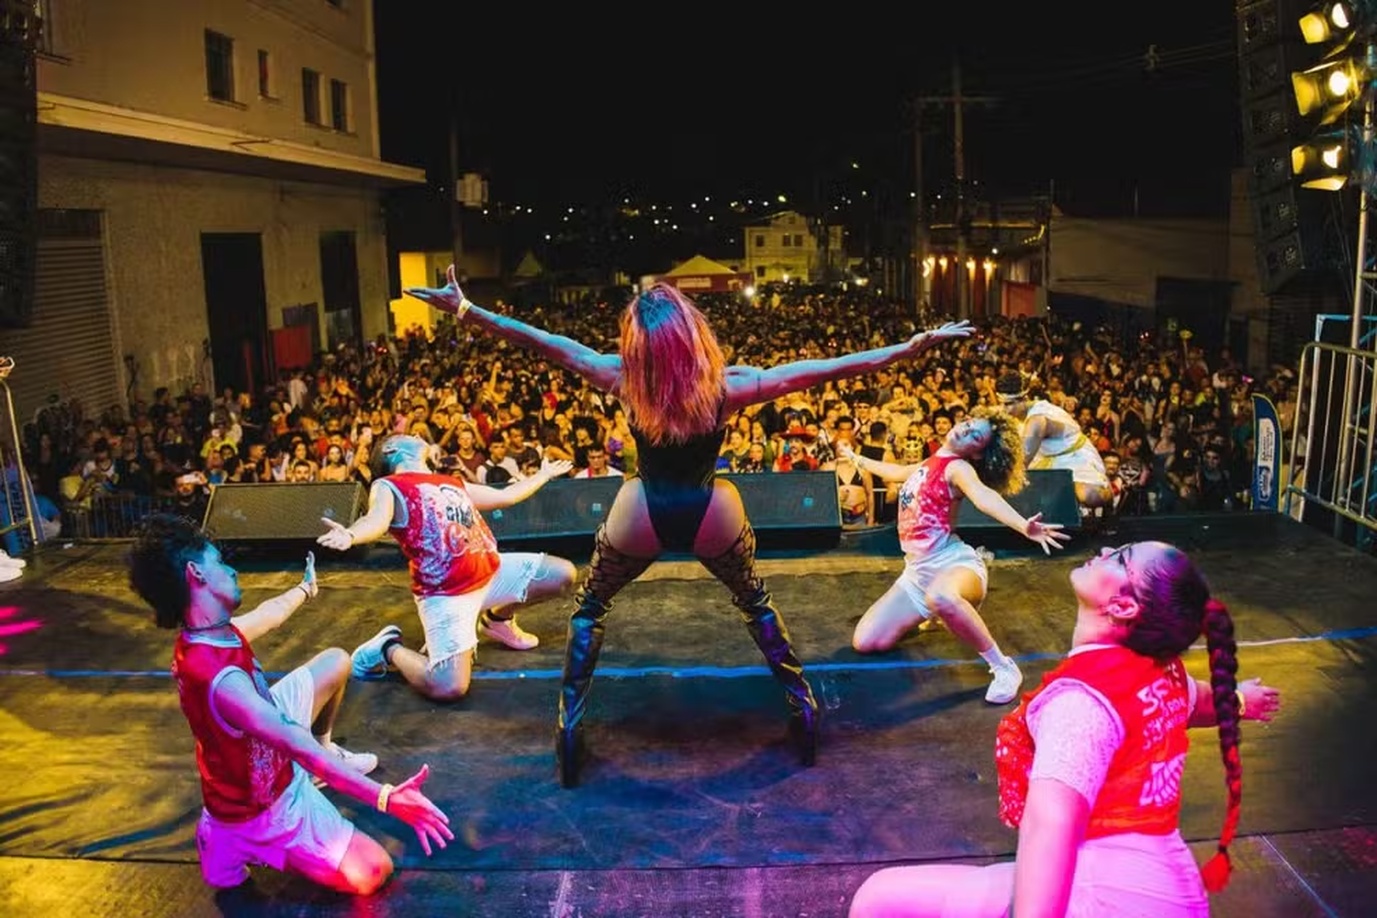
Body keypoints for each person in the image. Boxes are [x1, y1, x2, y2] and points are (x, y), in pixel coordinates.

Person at [405, 267, 972, 787]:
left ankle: (569, 730)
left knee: (591, 608)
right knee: (755, 603)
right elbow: (828, 370)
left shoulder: (621, 377)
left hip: (642, 510)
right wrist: (907, 347)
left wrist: (467, 311)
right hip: (708, 510)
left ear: (638, 342)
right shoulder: (728, 386)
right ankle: (802, 706)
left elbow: (545, 344)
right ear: (692, 334)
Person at [849, 541, 1283, 918]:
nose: (1105, 552)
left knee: (877, 902)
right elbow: (1197, 702)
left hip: (1109, 896)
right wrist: (1240, 700)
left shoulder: (1080, 704)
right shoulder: (1158, 672)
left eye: (1121, 558)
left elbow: (1050, 826)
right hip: (1170, 891)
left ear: (1124, 606)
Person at [127, 514, 452, 895]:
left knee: (335, 660)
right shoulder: (223, 683)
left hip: (253, 750)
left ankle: (326, 752)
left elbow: (269, 615)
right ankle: (226, 839)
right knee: (372, 871)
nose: (232, 570)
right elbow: (297, 744)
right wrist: (386, 797)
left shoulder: (208, 632)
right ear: (197, 574)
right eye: (220, 562)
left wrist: (305, 589)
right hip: (261, 806)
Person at [317, 434, 576, 702]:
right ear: (392, 449)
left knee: (562, 574)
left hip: (491, 572)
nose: (417, 435)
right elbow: (376, 520)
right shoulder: (388, 485)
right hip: (448, 594)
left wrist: (543, 475)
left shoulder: (450, 481)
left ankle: (497, 620)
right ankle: (387, 648)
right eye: (408, 435)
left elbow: (505, 496)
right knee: (448, 686)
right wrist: (351, 535)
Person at [840, 410, 1068, 703]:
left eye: (976, 436)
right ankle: (936, 611)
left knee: (942, 596)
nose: (966, 430)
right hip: (917, 573)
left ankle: (1003, 667)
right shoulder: (929, 461)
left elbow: (984, 497)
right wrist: (856, 458)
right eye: (970, 424)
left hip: (954, 564)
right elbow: (894, 472)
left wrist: (1023, 525)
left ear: (977, 453)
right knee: (866, 641)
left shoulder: (958, 468)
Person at [996, 371, 1113, 511]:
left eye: (1009, 404)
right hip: (1043, 460)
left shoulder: (1038, 418)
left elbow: (1021, 462)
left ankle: (1108, 492)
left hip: (1073, 457)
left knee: (1089, 496)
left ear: (1024, 398)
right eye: (1002, 404)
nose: (1005, 410)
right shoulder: (1012, 415)